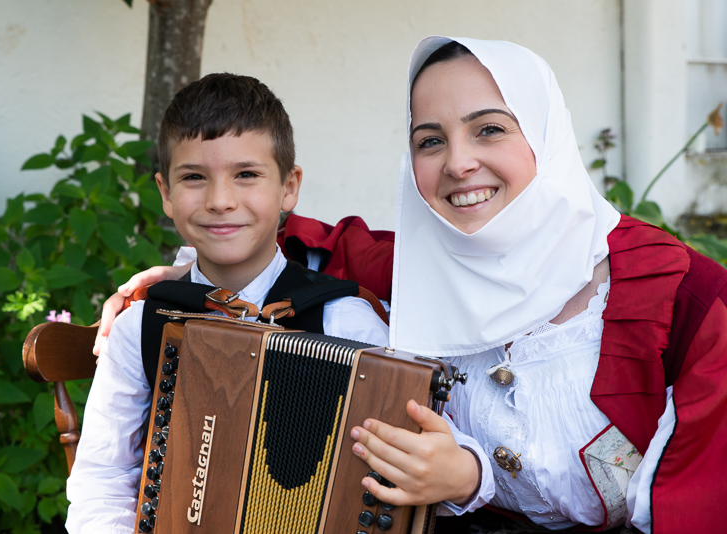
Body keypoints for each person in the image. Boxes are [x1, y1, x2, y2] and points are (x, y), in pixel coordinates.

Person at [95, 39, 727, 533]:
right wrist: (176, 279)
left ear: (546, 136)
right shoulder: (404, 274)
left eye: (489, 129)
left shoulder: (679, 300)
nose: (457, 162)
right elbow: (260, 236)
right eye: (431, 140)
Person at [65, 73, 389, 534]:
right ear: (165, 194)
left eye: (246, 175)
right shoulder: (143, 326)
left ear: (289, 187)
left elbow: (392, 479)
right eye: (194, 177)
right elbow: (103, 479)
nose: (220, 201)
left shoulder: (345, 321)